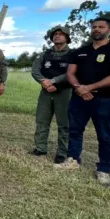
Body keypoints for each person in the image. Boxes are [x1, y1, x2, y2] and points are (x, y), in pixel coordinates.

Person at [56, 17, 110, 183]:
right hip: (78, 98)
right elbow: (70, 73)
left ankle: (103, 168)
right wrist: (79, 88)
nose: (97, 29)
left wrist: (88, 88)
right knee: (74, 130)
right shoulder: (81, 51)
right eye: (94, 27)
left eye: (101, 27)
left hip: (103, 99)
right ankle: (73, 159)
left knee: (104, 135)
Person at [31, 26, 73, 163]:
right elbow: (35, 70)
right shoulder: (45, 54)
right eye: (55, 34)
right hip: (46, 92)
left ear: (67, 37)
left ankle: (62, 152)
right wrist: (44, 82)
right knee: (42, 121)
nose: (57, 36)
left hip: (64, 92)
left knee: (64, 123)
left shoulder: (73, 54)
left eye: (61, 34)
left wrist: (53, 81)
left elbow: (71, 73)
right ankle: (40, 147)